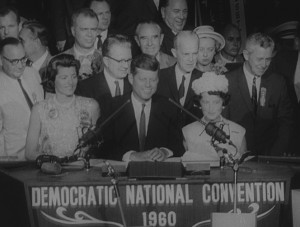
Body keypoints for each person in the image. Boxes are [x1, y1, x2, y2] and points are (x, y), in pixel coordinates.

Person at [99, 53, 185, 161]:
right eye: (143, 79)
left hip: (158, 173)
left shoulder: (169, 107)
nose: (148, 85)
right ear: (131, 78)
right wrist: (132, 156)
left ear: (158, 80)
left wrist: (164, 152)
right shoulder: (113, 107)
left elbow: (179, 146)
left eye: (153, 80)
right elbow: (103, 147)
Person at [224, 33, 294, 156]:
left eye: (268, 59)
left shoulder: (278, 82)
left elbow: (285, 124)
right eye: (259, 59)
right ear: (246, 55)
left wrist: (273, 156)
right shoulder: (227, 82)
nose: (264, 65)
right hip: (235, 156)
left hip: (270, 158)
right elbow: (222, 123)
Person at [25, 54, 100, 160]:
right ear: (52, 79)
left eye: (73, 77)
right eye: (64, 77)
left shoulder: (91, 106)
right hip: (50, 173)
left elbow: (99, 147)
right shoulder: (39, 109)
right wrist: (55, 160)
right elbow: (29, 153)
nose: (70, 82)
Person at [182, 72, 246, 162]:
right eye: (206, 102)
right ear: (199, 104)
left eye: (216, 102)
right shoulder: (187, 132)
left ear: (223, 103)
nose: (211, 108)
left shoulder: (239, 132)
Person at [0, 37, 44, 161]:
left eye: (23, 59)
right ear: (1, 59)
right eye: (14, 61)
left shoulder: (32, 73)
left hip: (42, 156)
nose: (20, 66)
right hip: (13, 162)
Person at [157, 30, 202, 127]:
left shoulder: (205, 80)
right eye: (186, 54)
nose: (191, 59)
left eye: (194, 53)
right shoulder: (159, 78)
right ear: (174, 53)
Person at [75, 34, 132, 104]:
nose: (126, 66)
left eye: (128, 60)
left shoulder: (136, 84)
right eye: (120, 61)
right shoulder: (85, 89)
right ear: (106, 61)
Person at [63, 8, 103, 81]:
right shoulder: (58, 62)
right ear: (73, 31)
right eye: (84, 29)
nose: (89, 34)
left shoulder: (107, 61)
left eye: (93, 29)